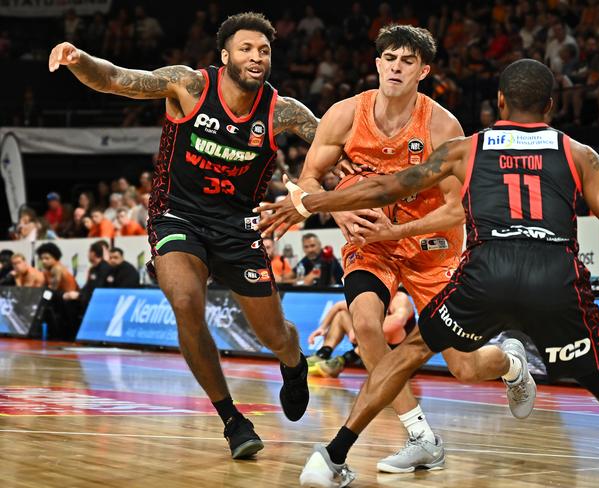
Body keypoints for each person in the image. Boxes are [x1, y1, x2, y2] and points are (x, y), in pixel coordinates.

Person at [259, 59, 599, 486]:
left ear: (499, 102)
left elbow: (386, 187)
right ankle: (419, 433)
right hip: (554, 278)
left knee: (410, 352)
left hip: (486, 272)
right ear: (552, 107)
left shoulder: (466, 148)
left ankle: (331, 458)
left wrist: (308, 204)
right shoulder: (579, 154)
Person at [49, 11, 322, 459]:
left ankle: (294, 364)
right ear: (225, 55)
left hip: (239, 227)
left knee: (275, 335)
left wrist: (319, 186)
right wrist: (79, 60)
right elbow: (119, 78)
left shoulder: (283, 112)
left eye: (264, 50)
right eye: (247, 48)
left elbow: (333, 146)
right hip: (178, 216)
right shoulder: (189, 85)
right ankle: (232, 420)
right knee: (186, 303)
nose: (257, 57)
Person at [267, 24, 511, 473]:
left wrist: (394, 233)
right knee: (365, 323)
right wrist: (339, 213)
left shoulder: (441, 124)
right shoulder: (344, 114)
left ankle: (510, 361)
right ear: (377, 63)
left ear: (424, 71)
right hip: (370, 244)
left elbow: (457, 212)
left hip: (431, 245)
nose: (397, 67)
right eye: (390, 59)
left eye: (408, 61)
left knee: (465, 366)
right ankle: (420, 434)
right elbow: (308, 180)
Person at [308, 291, 416, 378]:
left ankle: (343, 360)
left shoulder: (399, 298)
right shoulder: (371, 296)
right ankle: (323, 353)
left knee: (392, 329)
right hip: (368, 344)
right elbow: (338, 306)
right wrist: (322, 328)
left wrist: (361, 332)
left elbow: (398, 320)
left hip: (396, 353)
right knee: (341, 315)